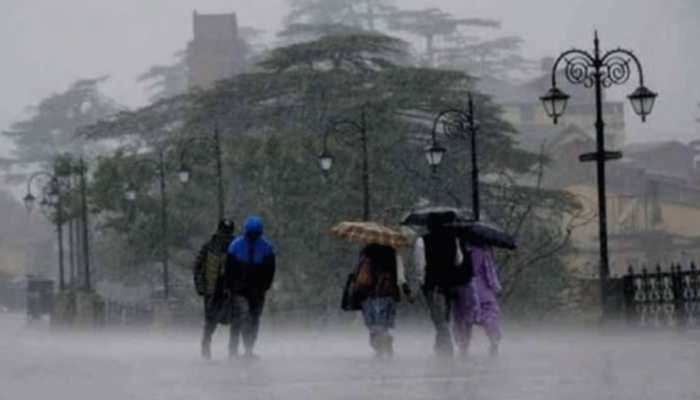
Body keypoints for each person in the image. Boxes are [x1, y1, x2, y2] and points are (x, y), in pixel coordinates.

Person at [225, 216, 276, 360]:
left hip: (256, 290)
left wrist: (264, 286)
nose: (253, 236)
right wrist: (231, 286)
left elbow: (270, 270)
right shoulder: (236, 246)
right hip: (241, 290)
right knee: (243, 317)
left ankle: (248, 349)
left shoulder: (266, 247)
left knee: (253, 318)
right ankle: (235, 349)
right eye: (251, 233)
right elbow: (229, 270)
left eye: (256, 233)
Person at [413, 216, 463, 357]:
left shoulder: (422, 241)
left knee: (439, 319)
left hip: (433, 284)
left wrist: (421, 281)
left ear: (428, 226)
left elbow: (420, 264)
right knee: (445, 317)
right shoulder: (454, 239)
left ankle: (446, 349)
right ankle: (440, 347)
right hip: (449, 284)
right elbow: (459, 260)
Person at [355, 243, 411, 359]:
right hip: (389, 293)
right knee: (384, 325)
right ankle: (386, 342)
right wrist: (407, 292)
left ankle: (379, 349)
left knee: (373, 325)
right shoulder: (392, 252)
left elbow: (359, 275)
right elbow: (401, 277)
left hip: (369, 294)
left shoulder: (366, 252)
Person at [193, 219, 236, 360]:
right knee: (211, 321)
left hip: (232, 290)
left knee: (236, 321)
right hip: (213, 290)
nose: (226, 237)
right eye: (224, 233)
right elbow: (198, 267)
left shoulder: (237, 247)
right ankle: (206, 349)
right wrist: (201, 286)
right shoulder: (209, 247)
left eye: (228, 233)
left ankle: (232, 351)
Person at [452, 240, 502, 357]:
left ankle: (463, 346)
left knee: (463, 318)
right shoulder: (484, 249)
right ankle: (494, 340)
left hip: (464, 287)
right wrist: (496, 287)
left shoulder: (458, 245)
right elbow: (489, 271)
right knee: (490, 316)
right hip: (483, 289)